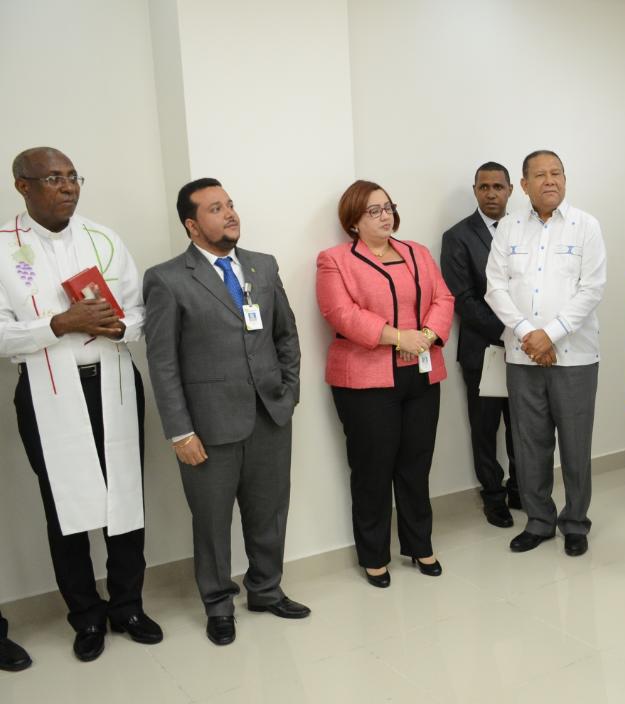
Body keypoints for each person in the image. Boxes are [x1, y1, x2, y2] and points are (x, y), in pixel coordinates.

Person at [1, 147, 161, 662]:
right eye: (54, 178)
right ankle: (87, 615)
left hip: (112, 381)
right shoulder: (3, 246)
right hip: (46, 390)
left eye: (73, 177)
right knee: (63, 505)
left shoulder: (102, 238)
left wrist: (118, 326)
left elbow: (140, 312)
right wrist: (58, 324)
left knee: (125, 496)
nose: (68, 186)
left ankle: (128, 606)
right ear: (23, 185)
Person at [143, 178, 309, 646]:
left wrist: (288, 393)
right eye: (216, 208)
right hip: (208, 426)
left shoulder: (262, 265)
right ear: (192, 225)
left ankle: (266, 590)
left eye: (231, 204)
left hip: (269, 416)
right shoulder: (168, 279)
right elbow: (162, 362)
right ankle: (218, 605)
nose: (230, 213)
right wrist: (180, 431)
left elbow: (286, 335)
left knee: (269, 512)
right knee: (212, 522)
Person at [316, 181, 454, 587]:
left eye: (388, 207)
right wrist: (398, 338)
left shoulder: (418, 252)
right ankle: (374, 555)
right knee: (372, 470)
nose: (385, 216)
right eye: (373, 211)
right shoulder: (335, 260)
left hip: (421, 373)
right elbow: (340, 313)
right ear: (353, 221)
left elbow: (443, 299)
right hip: (366, 379)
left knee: (416, 464)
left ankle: (419, 544)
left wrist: (424, 336)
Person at [485, 150, 606, 557]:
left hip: (575, 356)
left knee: (575, 445)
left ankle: (575, 522)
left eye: (556, 173)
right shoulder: (509, 228)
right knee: (529, 444)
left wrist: (550, 335)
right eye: (540, 175)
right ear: (524, 185)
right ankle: (538, 521)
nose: (550, 180)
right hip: (523, 356)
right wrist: (528, 334)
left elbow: (592, 289)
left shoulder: (586, 226)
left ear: (565, 179)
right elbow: (495, 287)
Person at [441, 162, 522, 528]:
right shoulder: (457, 236)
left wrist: (529, 334)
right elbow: (463, 299)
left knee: (522, 425)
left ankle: (521, 489)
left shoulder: (525, 230)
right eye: (484, 187)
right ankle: (493, 496)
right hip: (484, 350)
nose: (491, 194)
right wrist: (511, 331)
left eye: (498, 187)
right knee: (485, 430)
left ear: (510, 190)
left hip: (527, 349)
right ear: (475, 190)